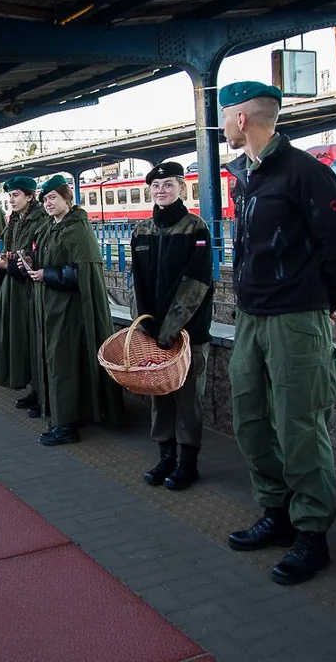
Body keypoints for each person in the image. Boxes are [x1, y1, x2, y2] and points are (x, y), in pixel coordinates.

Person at [220, 81, 336, 586]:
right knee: (252, 420)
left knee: (298, 425)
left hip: (296, 319)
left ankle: (312, 533)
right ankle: (276, 512)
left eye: (224, 115)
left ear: (241, 119)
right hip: (252, 317)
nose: (222, 125)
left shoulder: (306, 173)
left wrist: (321, 304)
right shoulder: (248, 176)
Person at [130, 161, 214, 491]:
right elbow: (135, 282)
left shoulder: (196, 228)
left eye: (168, 184)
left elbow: (197, 283)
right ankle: (165, 457)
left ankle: (188, 463)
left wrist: (170, 329)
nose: (161, 190)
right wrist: (143, 326)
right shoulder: (142, 231)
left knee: (189, 397)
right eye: (155, 186)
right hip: (153, 333)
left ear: (181, 187)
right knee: (159, 395)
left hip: (189, 333)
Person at [22, 176, 123, 446]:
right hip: (51, 308)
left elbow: (84, 273)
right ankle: (62, 412)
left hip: (70, 310)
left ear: (67, 198)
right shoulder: (50, 228)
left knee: (63, 362)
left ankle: (66, 424)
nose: (48, 204)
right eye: (44, 200)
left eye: (53, 198)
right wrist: (30, 262)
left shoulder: (77, 229)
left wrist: (48, 274)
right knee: (57, 361)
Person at [0, 176, 48, 412]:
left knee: (34, 339)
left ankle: (40, 391)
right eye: (10, 195)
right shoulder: (15, 220)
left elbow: (38, 257)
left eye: (16, 195)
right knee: (21, 339)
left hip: (32, 289)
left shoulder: (40, 220)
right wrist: (8, 260)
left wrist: (11, 266)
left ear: (29, 196)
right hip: (16, 287)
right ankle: (33, 388)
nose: (11, 200)